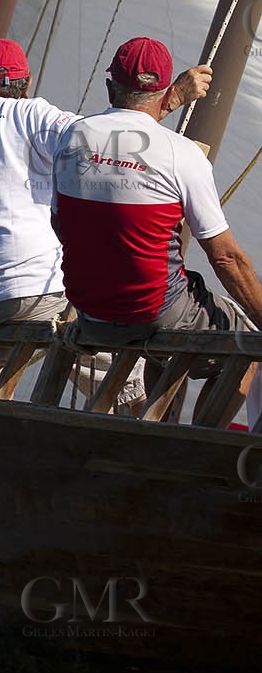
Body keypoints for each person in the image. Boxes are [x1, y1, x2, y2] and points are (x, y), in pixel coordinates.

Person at [0, 37, 209, 397]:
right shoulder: (31, 116)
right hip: (39, 295)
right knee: (104, 332)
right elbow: (104, 143)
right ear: (27, 85)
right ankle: (129, 417)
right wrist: (170, 99)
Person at [53, 36, 262, 413]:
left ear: (108, 85)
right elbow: (227, 259)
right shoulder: (180, 153)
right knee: (242, 345)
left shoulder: (72, 137)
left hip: (91, 314)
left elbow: (60, 224)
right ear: (165, 89)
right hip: (154, 312)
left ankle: (160, 430)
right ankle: (191, 456)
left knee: (172, 323)